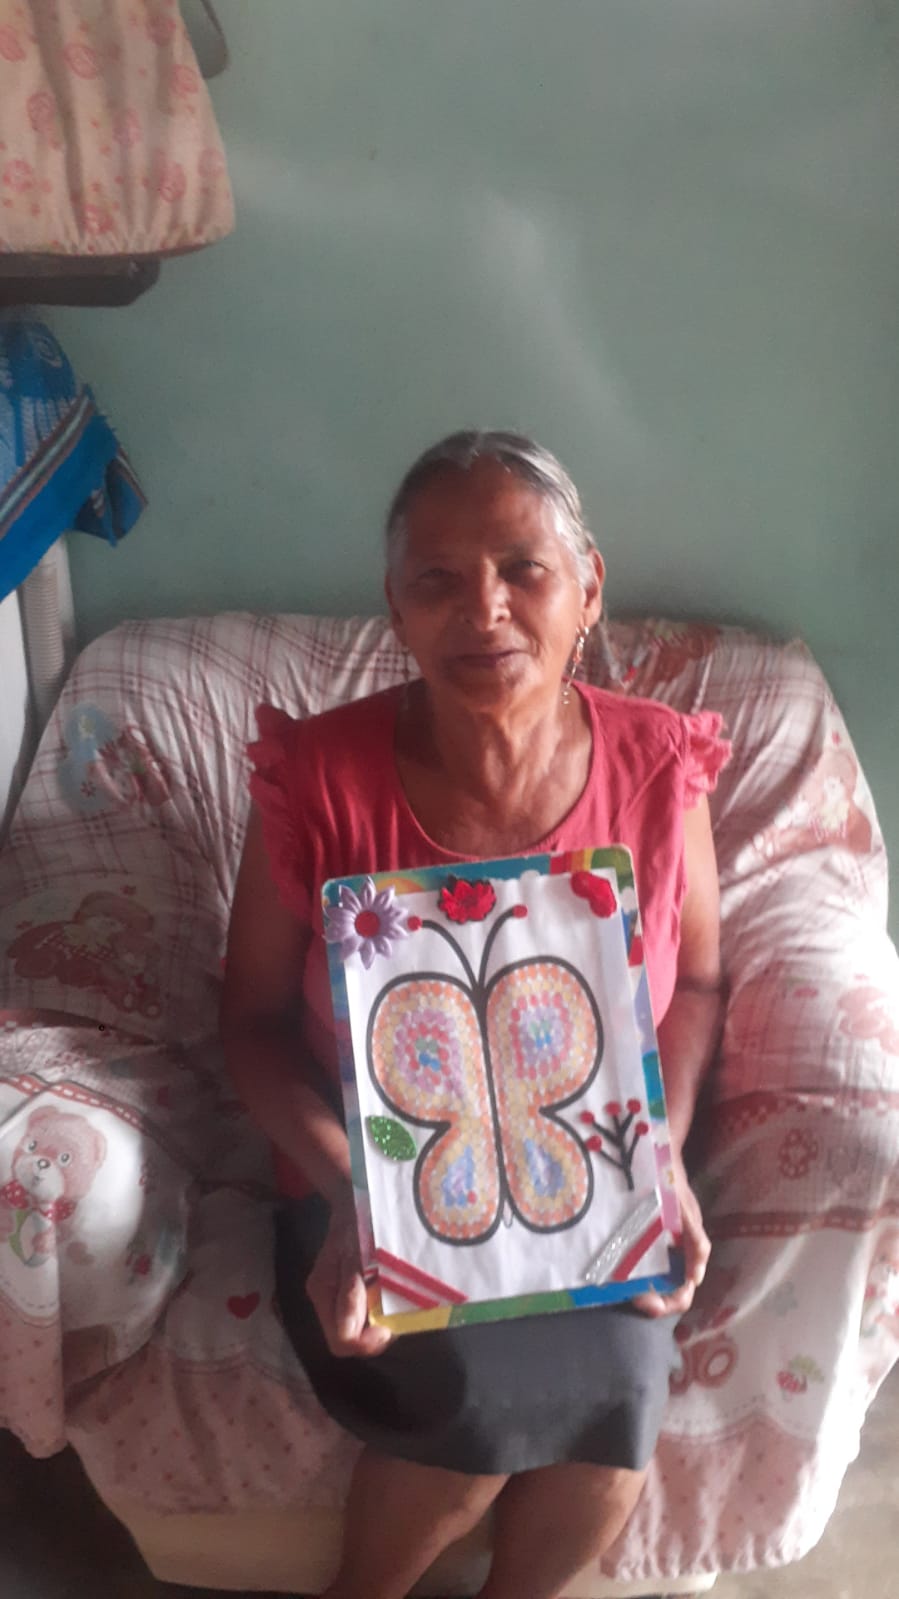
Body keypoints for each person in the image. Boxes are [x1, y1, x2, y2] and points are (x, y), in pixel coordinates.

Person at [221, 431, 731, 1599]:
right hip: (375, 1184)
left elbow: (697, 985)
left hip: (592, 1186)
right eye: (437, 579)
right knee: (474, 1414)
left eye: (522, 570)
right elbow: (248, 1024)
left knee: (615, 1407)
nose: (483, 609)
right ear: (395, 608)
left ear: (587, 589)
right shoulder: (320, 777)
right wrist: (352, 1194)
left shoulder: (655, 766)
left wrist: (657, 1154)